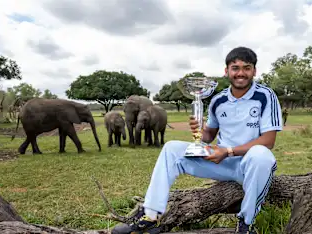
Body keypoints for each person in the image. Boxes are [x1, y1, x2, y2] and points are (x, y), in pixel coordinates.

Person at [112, 46, 283, 234]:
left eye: (246, 68)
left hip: (250, 166)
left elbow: (268, 140)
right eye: (235, 68)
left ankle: (246, 223)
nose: (241, 73)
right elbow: (209, 135)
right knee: (171, 148)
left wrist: (228, 151)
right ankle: (151, 215)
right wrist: (200, 132)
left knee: (262, 155)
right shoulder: (218, 100)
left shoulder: (266, 96)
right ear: (226, 71)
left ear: (254, 71)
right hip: (222, 163)